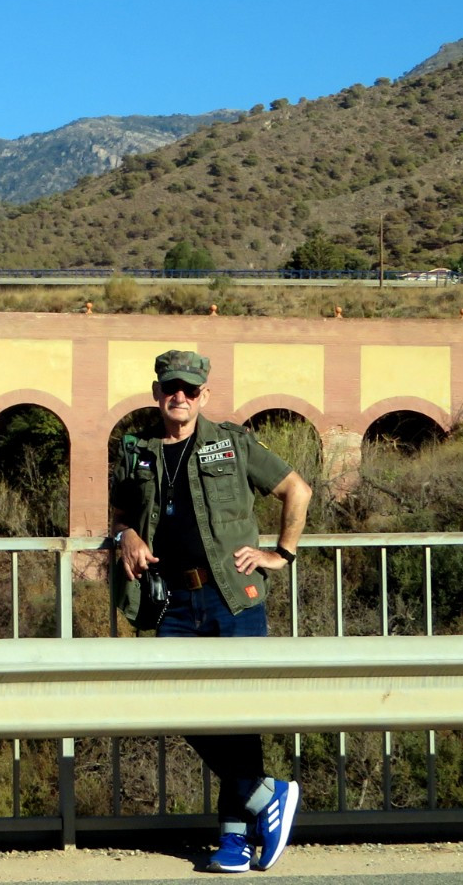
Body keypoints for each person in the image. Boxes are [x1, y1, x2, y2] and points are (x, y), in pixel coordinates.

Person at [108, 350, 313, 873]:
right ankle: (269, 795)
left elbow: (296, 490)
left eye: (191, 390)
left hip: (232, 598)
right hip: (173, 603)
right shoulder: (141, 453)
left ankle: (234, 839)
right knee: (178, 706)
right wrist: (126, 534)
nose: (180, 396)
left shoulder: (234, 444)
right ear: (157, 393)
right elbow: (121, 513)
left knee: (237, 719)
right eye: (171, 388)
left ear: (205, 395)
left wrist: (280, 554)